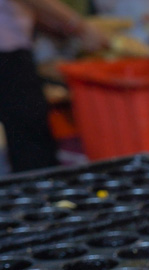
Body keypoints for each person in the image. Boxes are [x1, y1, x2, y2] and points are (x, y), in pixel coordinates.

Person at [0, 0, 107, 172]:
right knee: (32, 142)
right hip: (7, 52)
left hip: (12, 47)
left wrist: (58, 29)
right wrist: (79, 26)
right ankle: (38, 194)